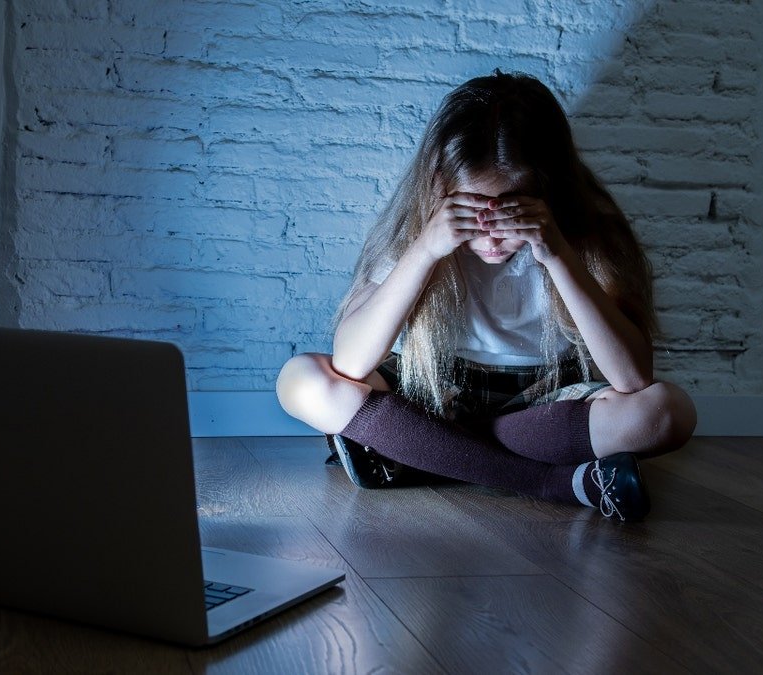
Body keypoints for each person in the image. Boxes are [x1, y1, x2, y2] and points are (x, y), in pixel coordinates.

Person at [275, 70, 697, 522]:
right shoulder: (418, 232)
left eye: (514, 212)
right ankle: (559, 482)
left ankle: (417, 450)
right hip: (435, 391)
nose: (493, 237)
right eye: (474, 211)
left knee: (667, 413)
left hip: (546, 400)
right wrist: (427, 250)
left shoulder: (590, 235)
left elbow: (633, 379)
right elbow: (352, 363)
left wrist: (556, 254)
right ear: (440, 188)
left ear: (550, 192)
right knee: (302, 380)